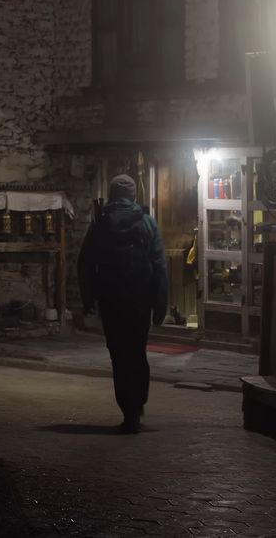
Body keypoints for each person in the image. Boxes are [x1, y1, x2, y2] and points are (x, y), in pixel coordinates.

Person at [78, 173, 168, 434]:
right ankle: (137, 406)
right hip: (140, 300)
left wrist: (88, 298)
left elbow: (85, 264)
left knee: (119, 355)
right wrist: (160, 304)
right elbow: (160, 266)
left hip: (111, 300)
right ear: (133, 197)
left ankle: (127, 410)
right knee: (137, 352)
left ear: (112, 194)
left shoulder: (100, 225)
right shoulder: (148, 223)